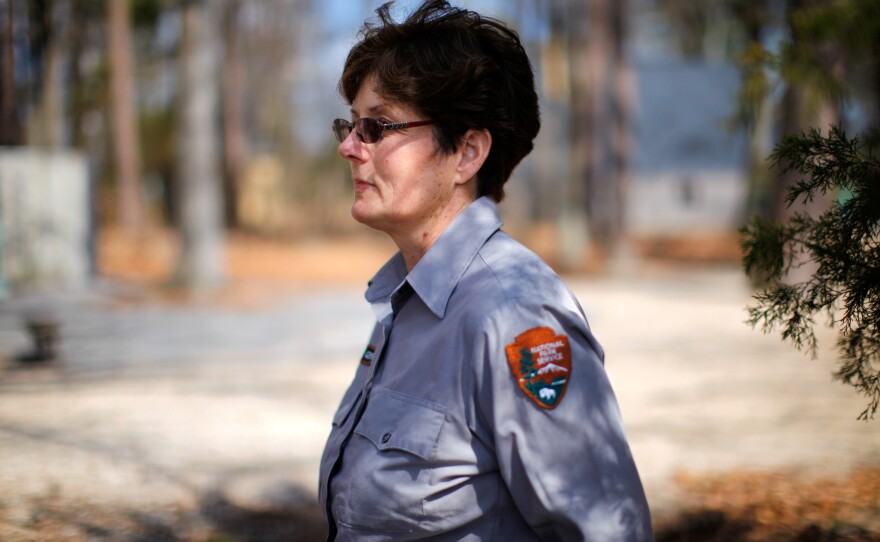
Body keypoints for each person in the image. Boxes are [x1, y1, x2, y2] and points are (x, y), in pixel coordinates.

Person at [318, 1, 653, 539]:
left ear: (467, 153)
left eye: (377, 126)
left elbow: (607, 528)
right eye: (350, 125)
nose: (348, 147)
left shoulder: (513, 313)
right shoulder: (410, 303)